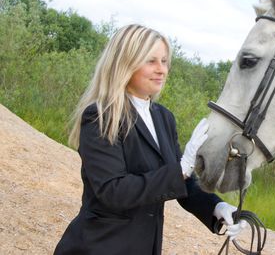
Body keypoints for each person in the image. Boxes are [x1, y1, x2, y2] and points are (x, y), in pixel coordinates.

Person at [54, 24, 245, 255]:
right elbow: (114, 191)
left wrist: (216, 206)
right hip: (98, 246)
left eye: (164, 61)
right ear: (126, 63)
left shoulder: (163, 117)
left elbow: (183, 184)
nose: (161, 70)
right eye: (151, 61)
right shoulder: (100, 116)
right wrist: (181, 168)